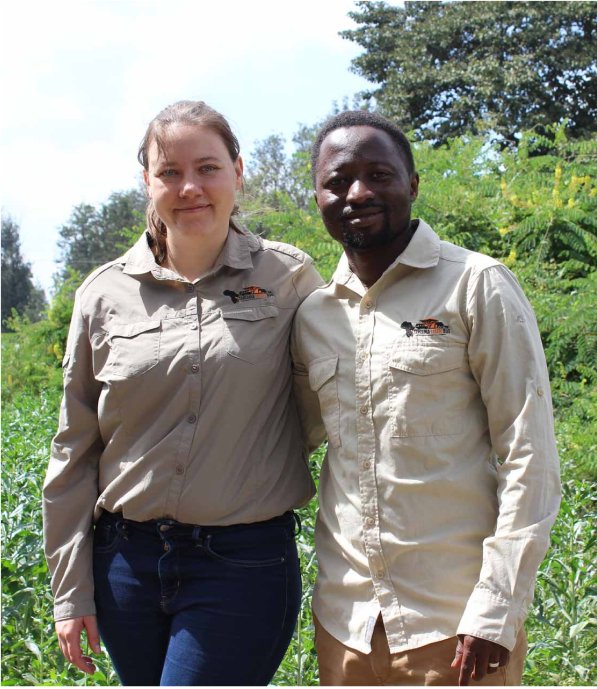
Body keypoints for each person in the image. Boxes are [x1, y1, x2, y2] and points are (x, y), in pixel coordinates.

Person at [43, 100, 323, 686]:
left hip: (243, 564)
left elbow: (327, 405)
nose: (189, 187)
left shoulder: (289, 280)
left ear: (238, 172)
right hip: (125, 565)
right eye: (169, 171)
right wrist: (71, 592)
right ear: (146, 181)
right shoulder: (102, 295)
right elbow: (74, 449)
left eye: (208, 167)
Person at [291, 110, 561, 686]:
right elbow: (292, 439)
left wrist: (497, 610)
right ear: (317, 197)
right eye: (337, 182)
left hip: (457, 625)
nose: (357, 193)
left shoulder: (476, 284)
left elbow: (529, 452)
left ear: (412, 184)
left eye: (378, 175)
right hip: (346, 626)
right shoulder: (314, 315)